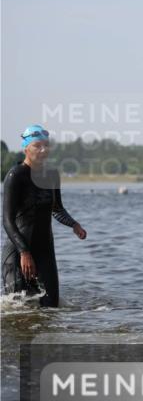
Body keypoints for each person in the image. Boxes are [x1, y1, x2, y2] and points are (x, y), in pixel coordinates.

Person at [2, 125, 87, 307]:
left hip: (44, 249)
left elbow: (57, 208)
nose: (43, 150)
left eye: (46, 146)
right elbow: (7, 221)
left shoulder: (52, 174)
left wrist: (74, 224)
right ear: (26, 148)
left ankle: (49, 336)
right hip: (18, 253)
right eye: (37, 146)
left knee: (51, 306)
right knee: (18, 309)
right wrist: (24, 252)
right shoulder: (15, 176)